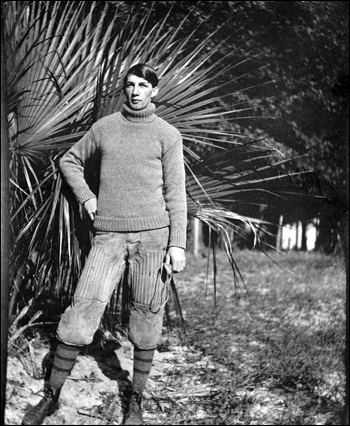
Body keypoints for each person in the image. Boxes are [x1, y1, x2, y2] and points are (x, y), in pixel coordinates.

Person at [22, 63, 187, 425]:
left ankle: (136, 401)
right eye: (130, 84)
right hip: (109, 236)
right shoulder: (105, 128)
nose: (136, 91)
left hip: (154, 238)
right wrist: (86, 197)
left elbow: (177, 193)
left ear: (154, 91)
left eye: (144, 85)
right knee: (82, 311)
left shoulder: (167, 135)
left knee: (146, 317)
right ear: (123, 89)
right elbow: (69, 160)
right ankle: (50, 397)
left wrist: (178, 243)